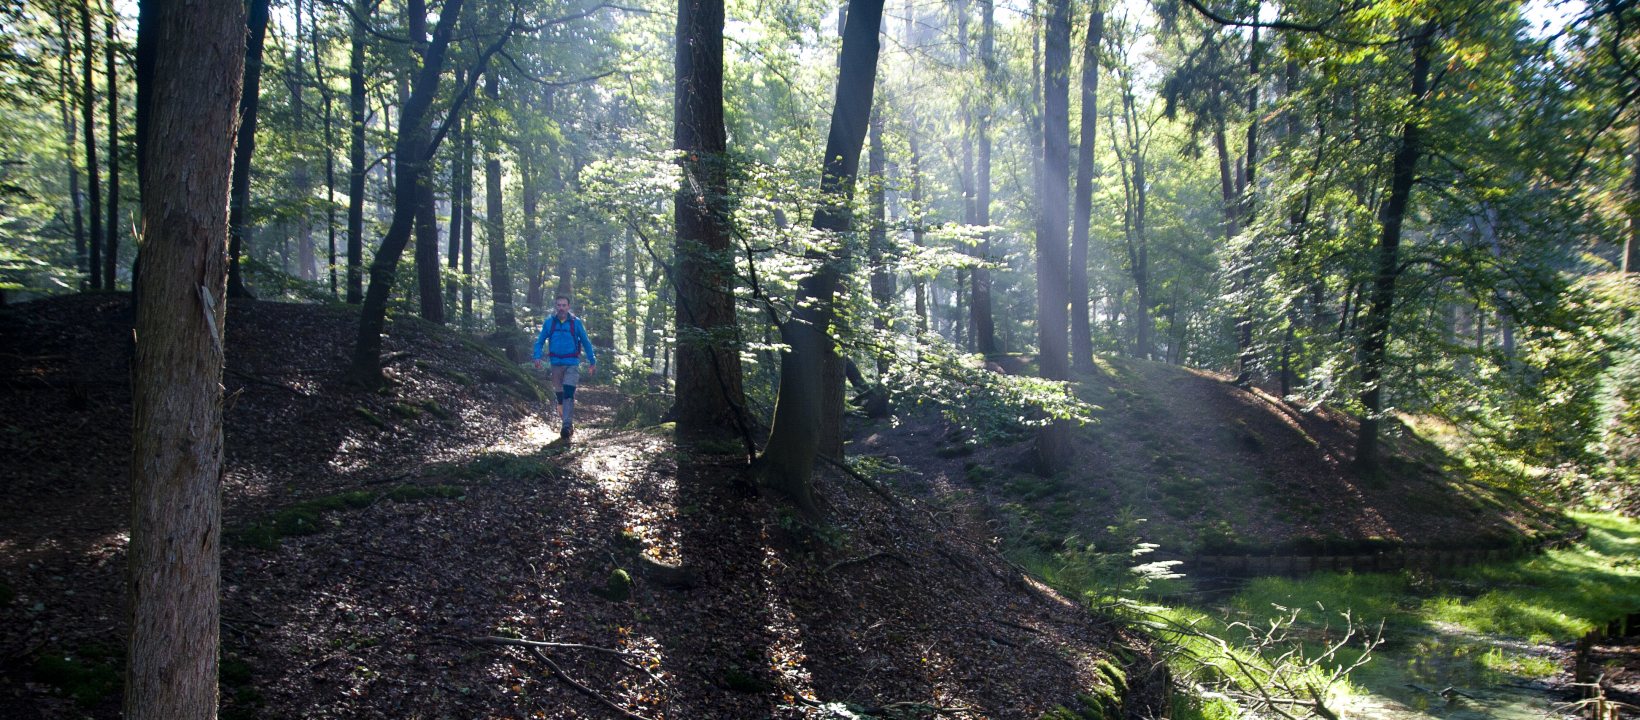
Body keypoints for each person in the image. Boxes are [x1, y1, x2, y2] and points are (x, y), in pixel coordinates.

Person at [532, 295, 596, 442]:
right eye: (559, 305)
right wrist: (537, 356)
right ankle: (561, 408)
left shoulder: (575, 323)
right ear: (556, 306)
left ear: (568, 307)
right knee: (560, 394)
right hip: (555, 364)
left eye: (564, 305)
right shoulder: (549, 323)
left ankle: (566, 425)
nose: (561, 308)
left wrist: (592, 361)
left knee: (568, 392)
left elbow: (586, 342)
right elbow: (540, 341)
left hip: (572, 363)